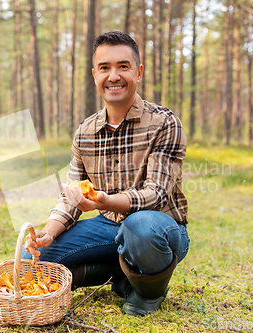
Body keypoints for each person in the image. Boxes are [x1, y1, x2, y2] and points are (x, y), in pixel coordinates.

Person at [23, 30, 190, 316]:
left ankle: (149, 292)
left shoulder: (165, 123)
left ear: (138, 72)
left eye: (123, 66)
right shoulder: (85, 132)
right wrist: (48, 232)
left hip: (159, 227)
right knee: (34, 259)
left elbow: (156, 194)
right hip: (108, 228)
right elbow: (71, 194)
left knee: (139, 229)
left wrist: (104, 201)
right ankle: (120, 272)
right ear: (95, 75)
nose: (113, 76)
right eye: (105, 68)